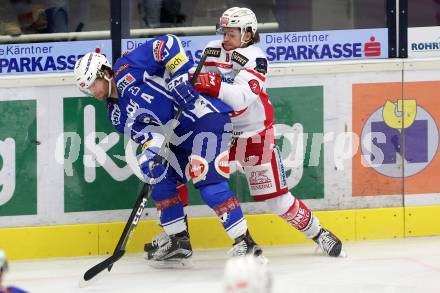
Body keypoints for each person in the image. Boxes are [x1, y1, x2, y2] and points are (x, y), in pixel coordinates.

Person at [146, 7, 343, 258]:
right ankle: (176, 236)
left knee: (276, 199)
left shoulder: (256, 58)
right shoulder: (211, 49)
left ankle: (319, 233)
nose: (225, 37)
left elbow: (240, 99)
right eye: (224, 32)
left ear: (248, 34)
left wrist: (212, 84)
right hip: (218, 133)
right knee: (175, 174)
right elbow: (195, 83)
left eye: (232, 33)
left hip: (253, 136)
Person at [73, 34, 263, 267]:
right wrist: (150, 155)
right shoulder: (116, 115)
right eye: (87, 89)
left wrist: (180, 76)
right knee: (157, 175)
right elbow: (146, 135)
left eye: (93, 84)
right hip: (177, 137)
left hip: (206, 119)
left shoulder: (126, 66)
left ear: (105, 73)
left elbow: (167, 44)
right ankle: (178, 239)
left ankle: (246, 243)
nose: (93, 92)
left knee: (208, 182)